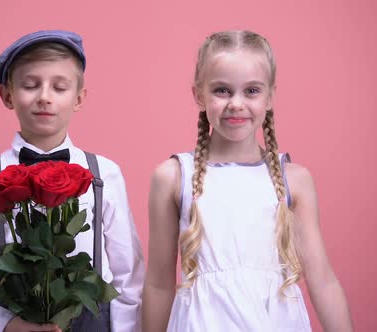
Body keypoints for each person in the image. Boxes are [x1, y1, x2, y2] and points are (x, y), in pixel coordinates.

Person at [142, 30, 353, 331]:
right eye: (222, 90)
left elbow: (323, 282)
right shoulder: (173, 176)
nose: (236, 104)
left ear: (270, 97)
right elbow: (159, 284)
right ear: (199, 95)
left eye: (251, 91)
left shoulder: (295, 179)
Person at [0, 30, 145, 332]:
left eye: (59, 87)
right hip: (16, 321)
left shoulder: (105, 173)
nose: (44, 97)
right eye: (30, 85)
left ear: (79, 98)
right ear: (7, 95)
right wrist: (5, 325)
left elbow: (130, 273)